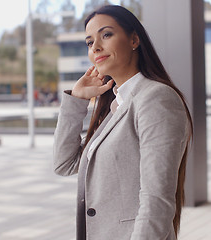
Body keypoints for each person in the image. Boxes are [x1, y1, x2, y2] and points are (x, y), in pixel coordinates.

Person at [53, 5, 193, 240]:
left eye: (106, 35)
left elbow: (156, 199)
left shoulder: (155, 98)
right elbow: (63, 164)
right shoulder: (117, 104)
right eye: (89, 42)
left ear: (134, 39)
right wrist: (76, 101)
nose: (96, 47)